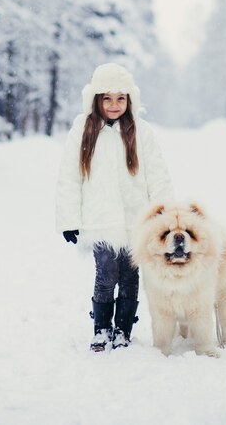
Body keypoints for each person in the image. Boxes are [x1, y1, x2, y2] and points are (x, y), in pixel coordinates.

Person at [55, 63, 175, 352]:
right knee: (106, 274)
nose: (113, 105)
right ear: (96, 99)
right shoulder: (83, 130)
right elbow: (69, 177)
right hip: (99, 220)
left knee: (130, 276)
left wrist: (164, 216)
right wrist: (69, 219)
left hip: (137, 219)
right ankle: (101, 328)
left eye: (120, 99)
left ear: (129, 100)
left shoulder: (141, 132)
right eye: (107, 98)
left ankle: (123, 329)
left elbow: (158, 175)